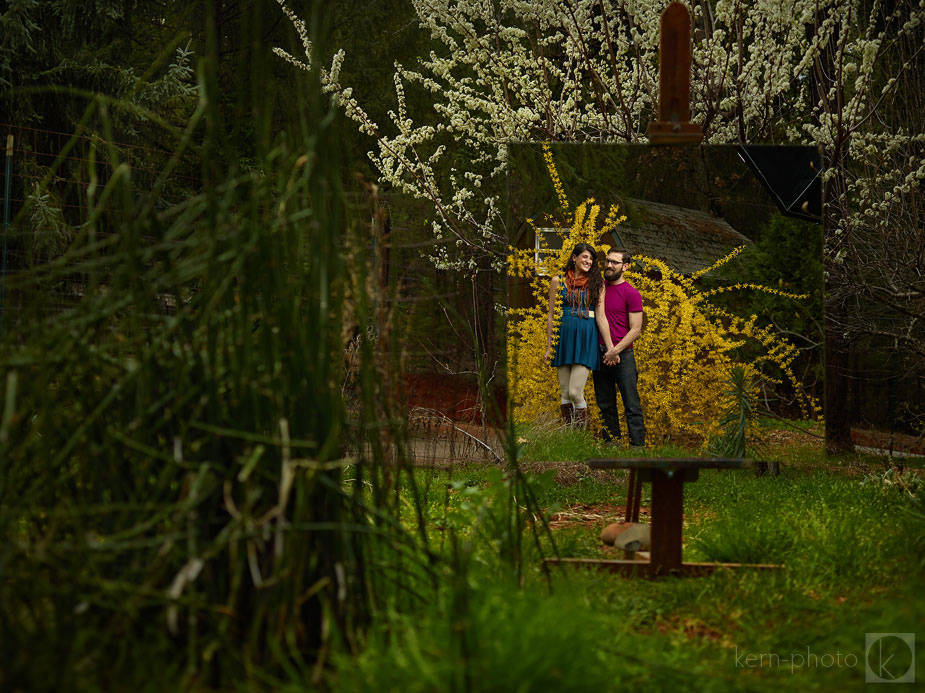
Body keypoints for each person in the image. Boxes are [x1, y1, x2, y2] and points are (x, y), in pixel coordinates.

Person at [544, 243, 615, 428]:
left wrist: (611, 348)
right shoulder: (557, 281)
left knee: (576, 392)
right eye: (584, 257)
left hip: (585, 337)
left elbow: (601, 317)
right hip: (564, 337)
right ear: (574, 258)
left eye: (591, 258)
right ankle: (570, 438)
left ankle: (580, 434)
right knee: (565, 392)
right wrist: (549, 346)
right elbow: (551, 316)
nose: (588, 261)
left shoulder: (597, 284)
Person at [593, 248, 645, 447]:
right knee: (605, 404)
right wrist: (607, 351)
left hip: (624, 356)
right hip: (599, 353)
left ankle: (637, 448)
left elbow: (636, 330)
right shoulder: (599, 288)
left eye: (614, 262)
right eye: (607, 261)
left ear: (625, 267)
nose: (609, 265)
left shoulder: (631, 293)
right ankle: (611, 446)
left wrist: (615, 350)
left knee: (631, 404)